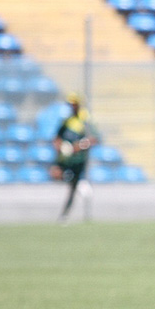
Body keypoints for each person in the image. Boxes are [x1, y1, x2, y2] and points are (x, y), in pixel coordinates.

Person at [50, 92, 99, 222]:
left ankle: (64, 215)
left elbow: (94, 139)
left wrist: (77, 147)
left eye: (73, 104)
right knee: (55, 173)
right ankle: (77, 182)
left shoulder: (85, 120)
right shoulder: (67, 121)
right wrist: (60, 146)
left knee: (72, 188)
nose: (71, 107)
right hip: (65, 159)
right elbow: (57, 138)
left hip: (78, 160)